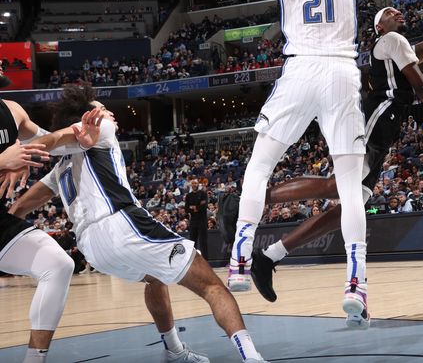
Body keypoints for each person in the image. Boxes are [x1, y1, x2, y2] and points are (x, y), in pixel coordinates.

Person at [228, 0, 404, 332]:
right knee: (351, 189)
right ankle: (355, 285)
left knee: (260, 166)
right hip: (342, 74)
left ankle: (241, 259)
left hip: (300, 69)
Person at [250, 0, 423, 315]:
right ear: (380, 26)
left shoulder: (400, 47)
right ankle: (253, 198)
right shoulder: (391, 40)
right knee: (335, 185)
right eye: (391, 11)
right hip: (372, 121)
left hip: (384, 131)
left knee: (346, 209)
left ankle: (269, 257)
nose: (399, 12)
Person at [11, 85, 268, 363]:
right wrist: (26, 152)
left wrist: (9, 224)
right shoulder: (101, 129)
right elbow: (60, 136)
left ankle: (175, 351)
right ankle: (252, 357)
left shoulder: (60, 168)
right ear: (89, 117)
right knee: (211, 286)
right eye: (103, 109)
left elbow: (23, 205)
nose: (110, 114)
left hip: (92, 247)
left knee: (155, 278)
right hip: (121, 225)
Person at [0, 88, 101, 363]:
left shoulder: (12, 110)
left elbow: (47, 141)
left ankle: (34, 359)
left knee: (58, 264)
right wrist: (3, 160)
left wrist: (83, 138)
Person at [184, 179, 208, 258]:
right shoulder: (188, 195)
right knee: (192, 241)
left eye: (196, 183)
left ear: (198, 184)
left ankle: (205, 260)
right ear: (191, 185)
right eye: (193, 183)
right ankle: (192, 260)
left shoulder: (203, 194)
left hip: (202, 220)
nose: (194, 185)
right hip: (193, 221)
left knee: (203, 241)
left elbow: (204, 207)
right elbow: (187, 209)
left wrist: (194, 207)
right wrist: (197, 207)